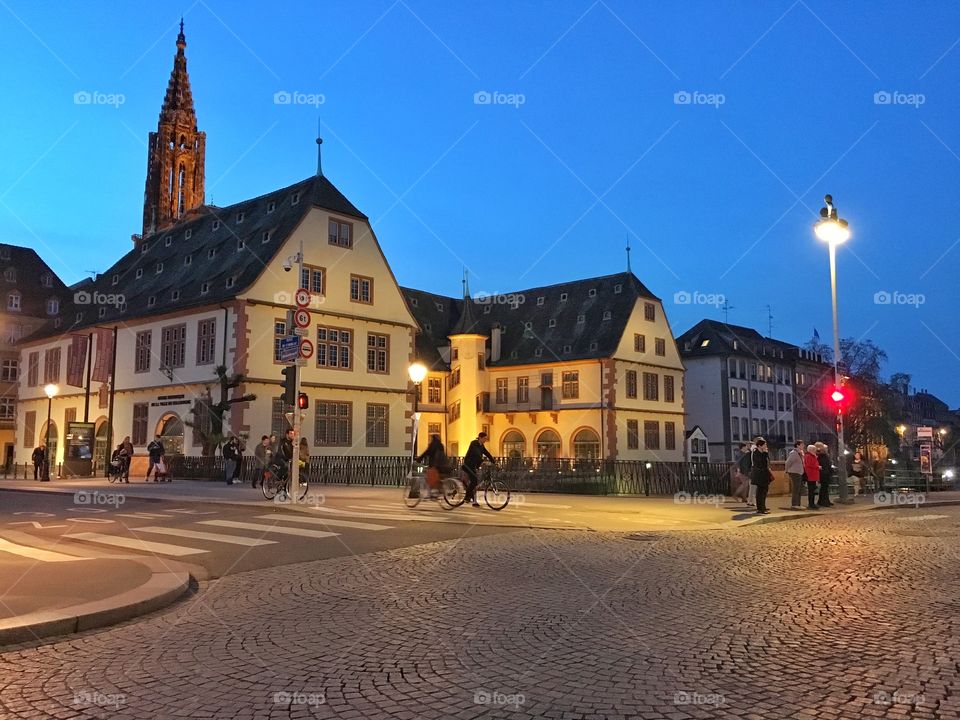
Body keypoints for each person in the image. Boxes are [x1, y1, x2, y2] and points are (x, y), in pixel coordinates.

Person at [462, 432, 495, 507]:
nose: (485, 440)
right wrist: (483, 462)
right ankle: (467, 497)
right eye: (484, 438)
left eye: (486, 438)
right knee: (474, 480)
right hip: (468, 465)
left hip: (474, 466)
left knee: (475, 482)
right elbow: (476, 453)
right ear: (480, 437)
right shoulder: (474, 443)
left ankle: (474, 501)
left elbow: (486, 453)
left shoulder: (481, 445)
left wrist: (493, 461)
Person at [750, 437, 771, 515]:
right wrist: (765, 453)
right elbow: (761, 463)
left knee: (764, 491)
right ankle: (760, 508)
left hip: (764, 475)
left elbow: (767, 463)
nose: (766, 446)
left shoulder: (762, 452)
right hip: (759, 475)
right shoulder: (756, 453)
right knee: (760, 492)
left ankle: (763, 507)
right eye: (764, 445)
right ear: (759, 445)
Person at [785, 440, 806, 510]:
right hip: (794, 472)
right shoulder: (794, 453)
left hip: (799, 472)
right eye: (802, 445)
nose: (803, 446)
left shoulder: (801, 453)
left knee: (799, 488)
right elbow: (788, 462)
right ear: (797, 445)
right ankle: (794, 504)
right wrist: (786, 470)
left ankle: (798, 504)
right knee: (796, 488)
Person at [816, 442, 834, 508]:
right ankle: (823, 501)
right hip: (823, 473)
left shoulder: (823, 455)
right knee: (824, 488)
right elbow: (823, 464)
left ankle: (824, 501)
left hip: (825, 472)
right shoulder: (820, 455)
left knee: (825, 488)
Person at [803, 444, 821, 510]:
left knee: (812, 490)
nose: (815, 451)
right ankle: (811, 504)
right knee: (811, 491)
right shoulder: (808, 456)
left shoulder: (812, 456)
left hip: (813, 475)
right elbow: (809, 465)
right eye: (814, 449)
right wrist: (817, 467)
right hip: (811, 475)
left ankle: (812, 503)